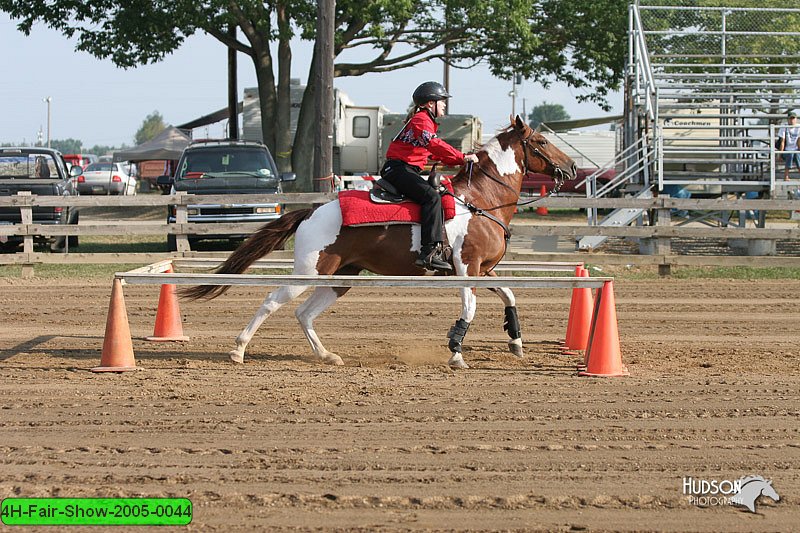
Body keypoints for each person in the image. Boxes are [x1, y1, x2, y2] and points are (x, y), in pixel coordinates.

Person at [380, 81, 479, 272]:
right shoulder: (421, 119)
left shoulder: (425, 121)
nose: (444, 105)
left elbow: (429, 152)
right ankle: (429, 252)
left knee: (436, 194)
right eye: (442, 101)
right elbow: (434, 144)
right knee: (431, 197)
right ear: (430, 103)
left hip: (402, 169)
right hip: (399, 170)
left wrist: (458, 159)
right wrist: (462, 157)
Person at [778, 110, 800, 181]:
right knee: (790, 154)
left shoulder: (799, 127)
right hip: (787, 150)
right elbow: (782, 142)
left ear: (796, 119)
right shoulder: (784, 126)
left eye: (793, 118)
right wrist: (780, 154)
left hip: (796, 149)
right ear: (788, 119)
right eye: (790, 118)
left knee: (796, 155)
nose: (792, 120)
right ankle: (786, 175)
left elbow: (799, 141)